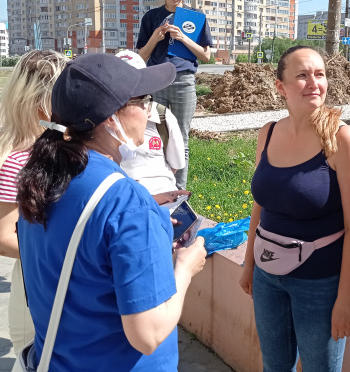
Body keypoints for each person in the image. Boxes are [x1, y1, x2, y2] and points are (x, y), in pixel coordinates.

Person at [16, 53, 207, 371]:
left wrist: (150, 227)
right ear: (110, 118)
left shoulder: (43, 179)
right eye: (143, 101)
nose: (148, 111)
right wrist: (186, 268)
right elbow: (148, 335)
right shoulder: (127, 203)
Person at [239, 46, 350, 372]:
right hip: (267, 275)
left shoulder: (341, 139)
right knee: (274, 367)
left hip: (319, 284)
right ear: (280, 86)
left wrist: (346, 300)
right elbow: (260, 205)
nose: (314, 83)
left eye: (320, 74)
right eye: (302, 75)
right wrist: (249, 263)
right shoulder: (268, 133)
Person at [0, 49, 67, 353]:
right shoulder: (16, 161)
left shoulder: (59, 149)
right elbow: (0, 240)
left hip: (60, 283)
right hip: (38, 289)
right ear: (42, 102)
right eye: (66, 92)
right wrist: (69, 255)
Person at [136, 0, 213, 190]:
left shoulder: (196, 17)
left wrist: (183, 38)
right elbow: (141, 56)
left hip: (183, 82)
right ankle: (158, 186)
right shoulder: (151, 17)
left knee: (181, 138)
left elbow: (206, 56)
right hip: (156, 81)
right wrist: (155, 38)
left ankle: (179, 191)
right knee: (155, 136)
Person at [114, 50, 189, 204]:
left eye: (136, 84)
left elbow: (175, 165)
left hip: (165, 200)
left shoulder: (162, 116)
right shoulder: (100, 123)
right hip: (124, 204)